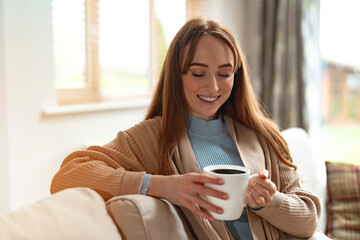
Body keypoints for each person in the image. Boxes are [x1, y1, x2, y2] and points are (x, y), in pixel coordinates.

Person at [51, 18, 322, 239]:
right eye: (198, 73)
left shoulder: (263, 135)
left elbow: (309, 218)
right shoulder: (153, 137)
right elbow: (68, 175)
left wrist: (269, 202)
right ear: (176, 75)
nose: (213, 87)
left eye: (224, 73)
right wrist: (160, 186)